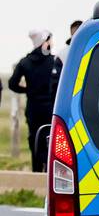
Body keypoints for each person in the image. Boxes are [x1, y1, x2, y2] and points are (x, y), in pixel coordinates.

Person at [9, 30, 63, 172]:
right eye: (49, 40)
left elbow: (12, 84)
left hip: (33, 108)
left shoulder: (25, 62)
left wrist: (28, 90)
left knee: (34, 139)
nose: (51, 43)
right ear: (43, 42)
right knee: (51, 139)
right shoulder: (53, 61)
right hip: (50, 108)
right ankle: (50, 170)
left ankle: (36, 171)